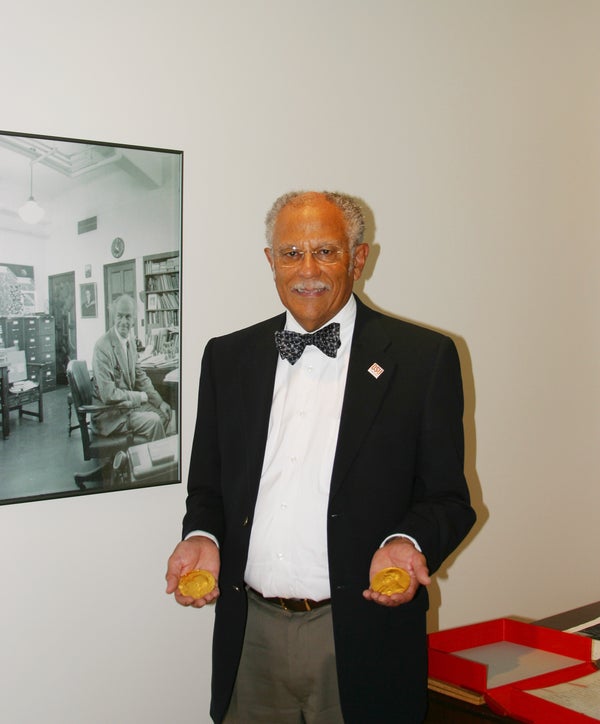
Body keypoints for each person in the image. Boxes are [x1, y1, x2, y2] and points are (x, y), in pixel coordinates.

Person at [166, 191, 476, 723]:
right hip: (250, 635)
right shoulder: (227, 357)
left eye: (326, 252)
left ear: (358, 259)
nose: (307, 270)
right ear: (270, 262)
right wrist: (203, 535)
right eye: (291, 254)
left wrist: (406, 541)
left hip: (361, 634)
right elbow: (208, 487)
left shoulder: (424, 360)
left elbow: (448, 498)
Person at [92, 294, 171, 441]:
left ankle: (140, 458)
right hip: (110, 415)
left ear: (133, 319)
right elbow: (108, 394)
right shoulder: (102, 347)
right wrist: (140, 396)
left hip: (126, 408)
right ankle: (150, 461)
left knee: (165, 414)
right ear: (113, 317)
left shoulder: (131, 341)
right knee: (154, 421)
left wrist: (159, 402)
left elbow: (140, 375)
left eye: (128, 317)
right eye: (119, 316)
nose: (123, 322)